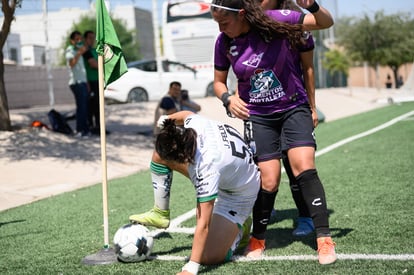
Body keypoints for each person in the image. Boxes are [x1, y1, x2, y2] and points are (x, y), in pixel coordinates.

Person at [211, 0, 336, 265]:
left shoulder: (277, 19)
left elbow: (325, 23)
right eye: (217, 23)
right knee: (268, 180)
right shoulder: (224, 43)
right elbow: (219, 82)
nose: (221, 29)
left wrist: (312, 6)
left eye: (224, 22)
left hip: (293, 108)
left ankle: (324, 239)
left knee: (303, 166)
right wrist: (227, 99)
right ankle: (258, 239)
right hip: (259, 117)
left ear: (241, 15)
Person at [131, 111, 261, 275]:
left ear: (181, 156)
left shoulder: (207, 167)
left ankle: (240, 229)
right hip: (229, 173)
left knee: (207, 256)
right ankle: (160, 213)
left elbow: (203, 223)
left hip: (239, 194)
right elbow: (186, 114)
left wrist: (191, 267)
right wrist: (165, 120)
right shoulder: (194, 127)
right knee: (159, 155)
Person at [260, 0, 317, 237]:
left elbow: (308, 69)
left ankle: (306, 218)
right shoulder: (249, 23)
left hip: (293, 107)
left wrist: (312, 107)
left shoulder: (295, 22)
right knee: (260, 167)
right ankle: (264, 212)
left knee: (296, 168)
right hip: (261, 110)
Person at [65, 30, 90, 137]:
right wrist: (79, 52)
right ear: (72, 41)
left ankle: (85, 129)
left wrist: (87, 82)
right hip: (76, 83)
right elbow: (71, 64)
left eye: (81, 39)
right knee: (81, 107)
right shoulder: (70, 50)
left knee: (85, 107)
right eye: (77, 39)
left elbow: (82, 70)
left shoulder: (79, 52)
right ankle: (80, 130)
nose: (79, 41)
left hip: (83, 82)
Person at [82, 30, 101, 135]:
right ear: (85, 39)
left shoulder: (95, 50)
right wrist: (103, 66)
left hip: (97, 81)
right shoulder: (85, 51)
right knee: (91, 106)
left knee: (98, 105)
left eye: (93, 38)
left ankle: (98, 127)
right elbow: (93, 64)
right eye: (90, 38)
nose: (92, 40)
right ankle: (91, 126)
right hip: (90, 82)